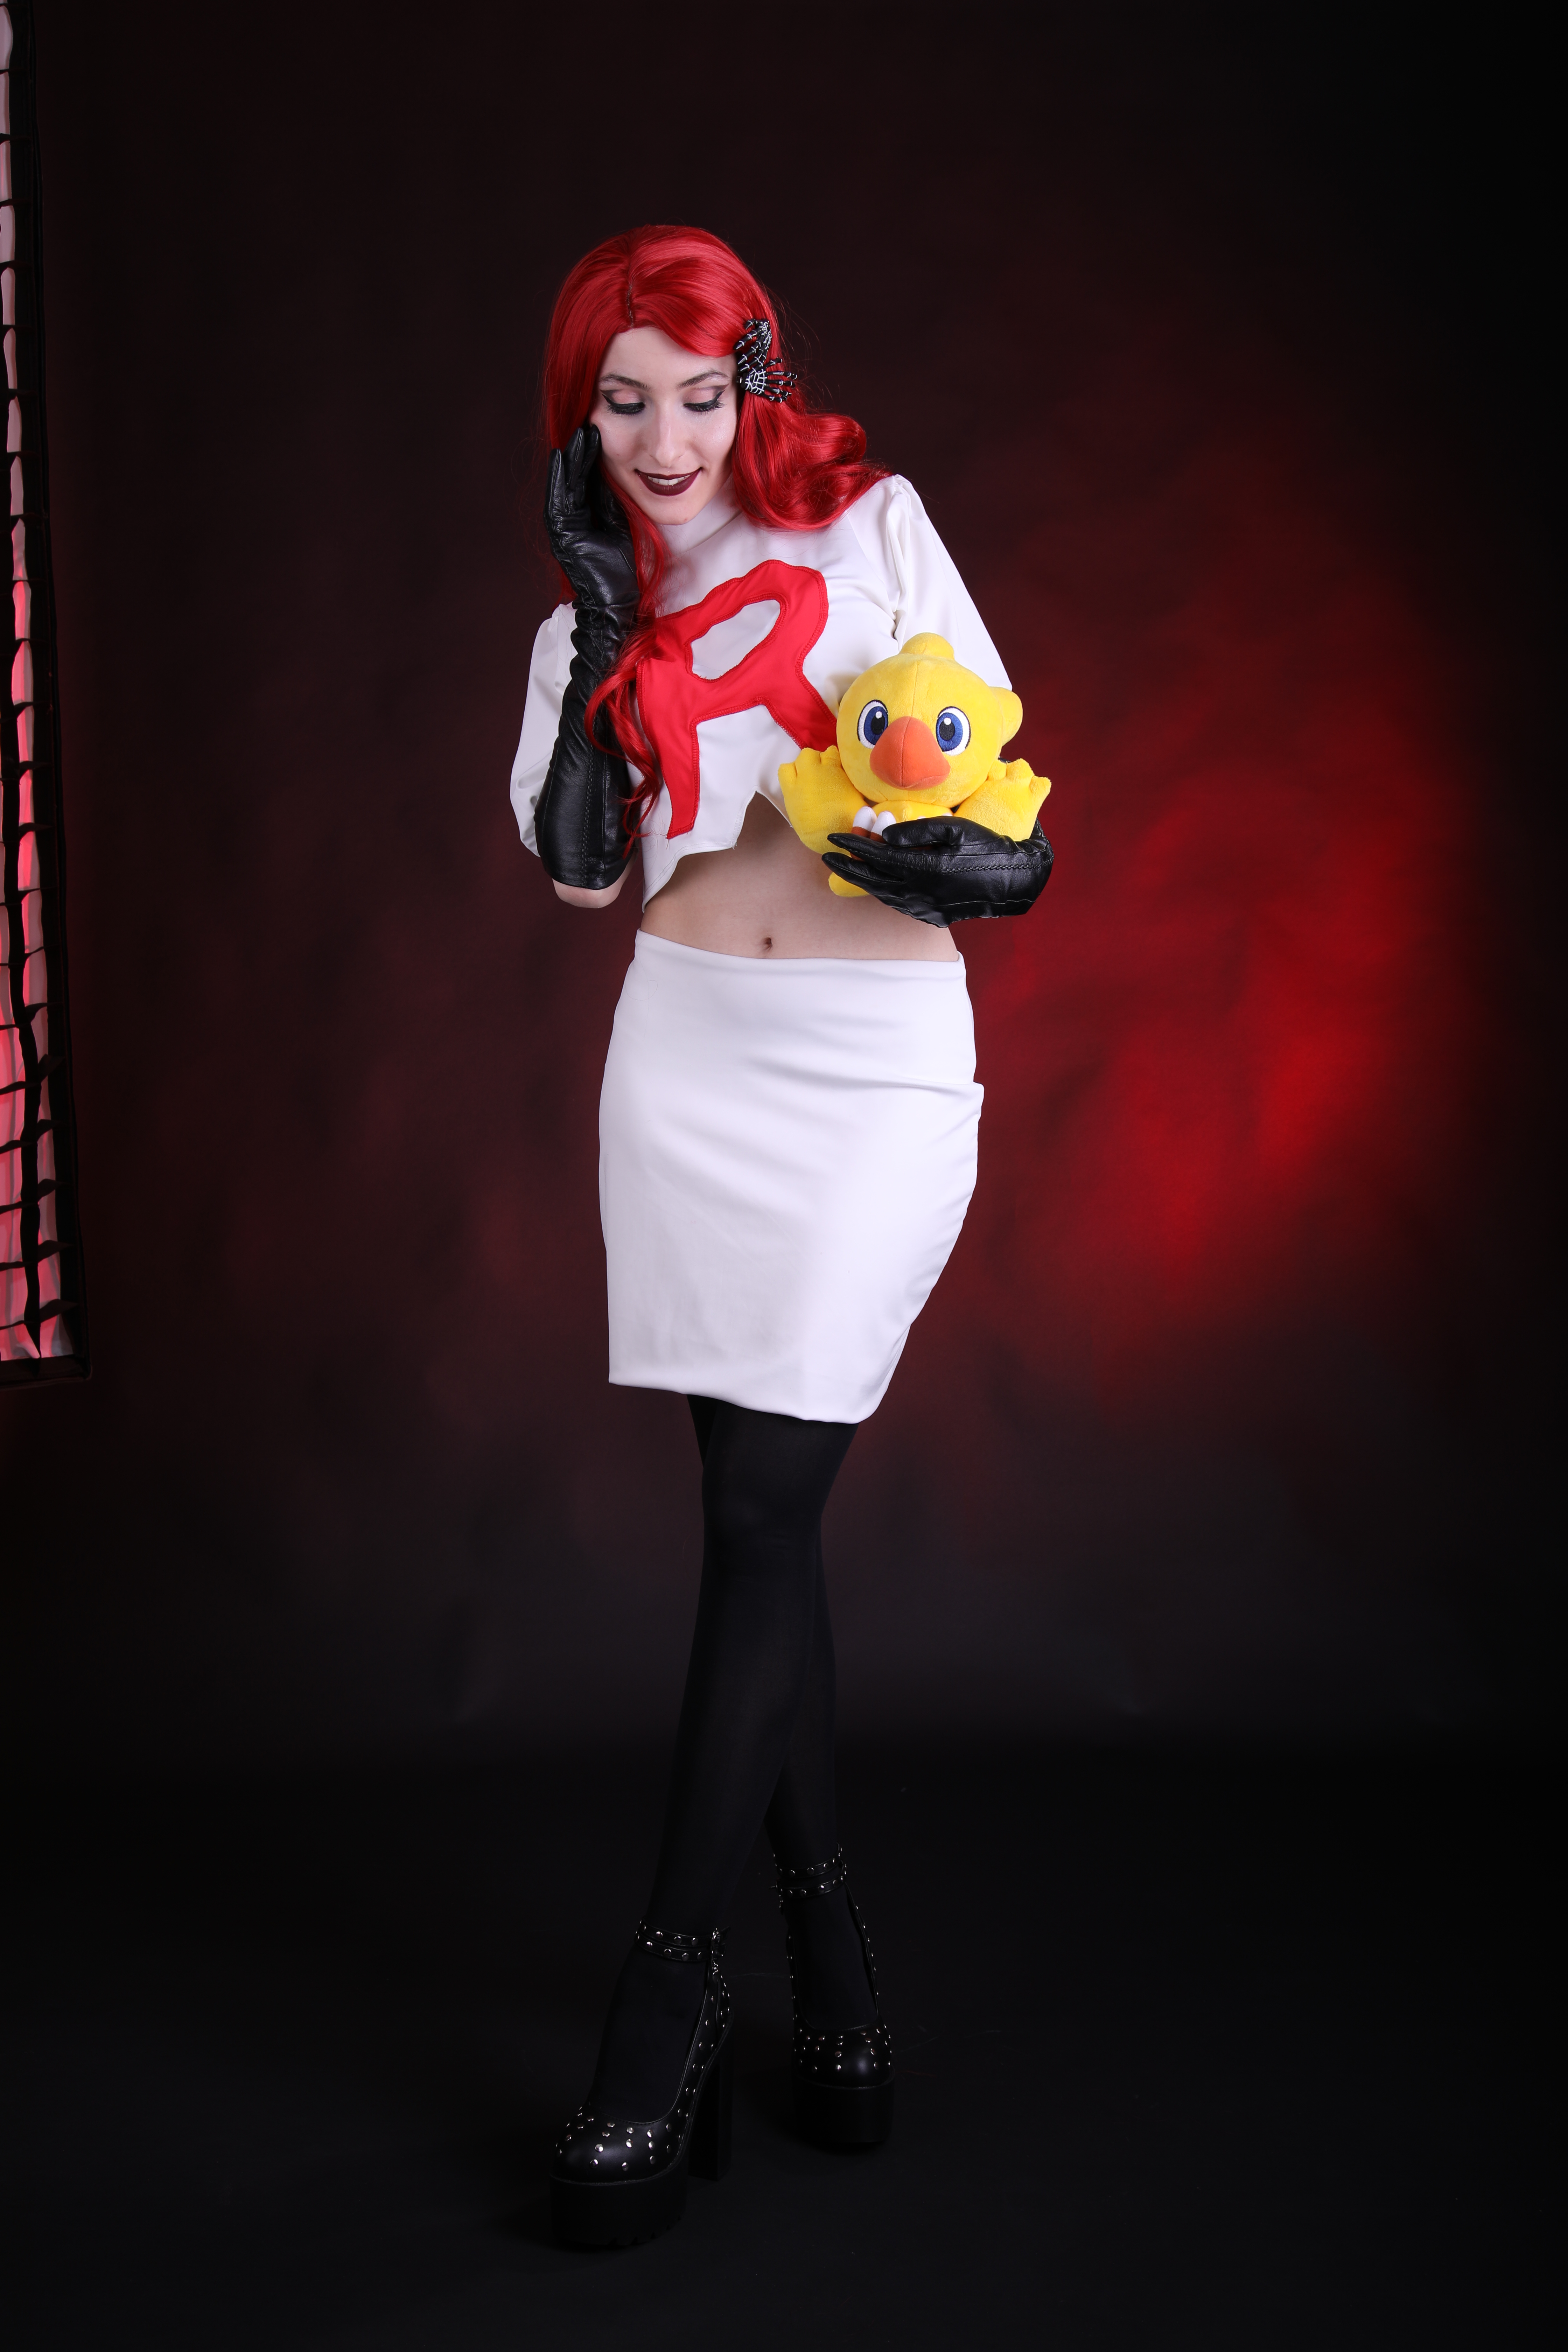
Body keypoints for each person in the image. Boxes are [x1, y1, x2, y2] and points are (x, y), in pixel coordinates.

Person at [509, 225, 1051, 2248]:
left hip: (868, 1067)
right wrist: (603, 624)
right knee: (760, 1522)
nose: (663, 442)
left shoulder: (874, 527)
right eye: (619, 406)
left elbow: (984, 760)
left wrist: (981, 853)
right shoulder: (582, 620)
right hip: (685, 1067)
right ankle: (828, 1954)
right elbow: (580, 874)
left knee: (759, 1514)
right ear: (581, 423)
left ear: (755, 380)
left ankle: (667, 1994)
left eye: (694, 392)